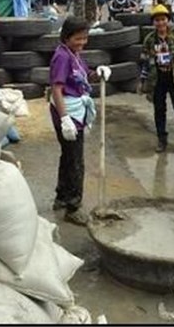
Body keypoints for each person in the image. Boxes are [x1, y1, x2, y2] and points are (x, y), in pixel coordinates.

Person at [49, 16, 111, 225]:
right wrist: (65, 118)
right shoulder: (62, 57)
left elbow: (81, 78)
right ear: (66, 37)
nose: (82, 43)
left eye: (85, 38)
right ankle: (73, 207)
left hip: (76, 109)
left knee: (68, 155)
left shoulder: (74, 54)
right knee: (76, 160)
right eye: (78, 39)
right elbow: (56, 89)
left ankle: (62, 196)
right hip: (68, 111)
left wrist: (97, 74)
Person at [139, 5, 174, 154]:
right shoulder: (150, 40)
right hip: (157, 80)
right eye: (157, 20)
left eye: (163, 19)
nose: (160, 23)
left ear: (168, 20)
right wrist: (142, 80)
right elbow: (145, 61)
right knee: (159, 111)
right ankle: (161, 139)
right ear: (154, 23)